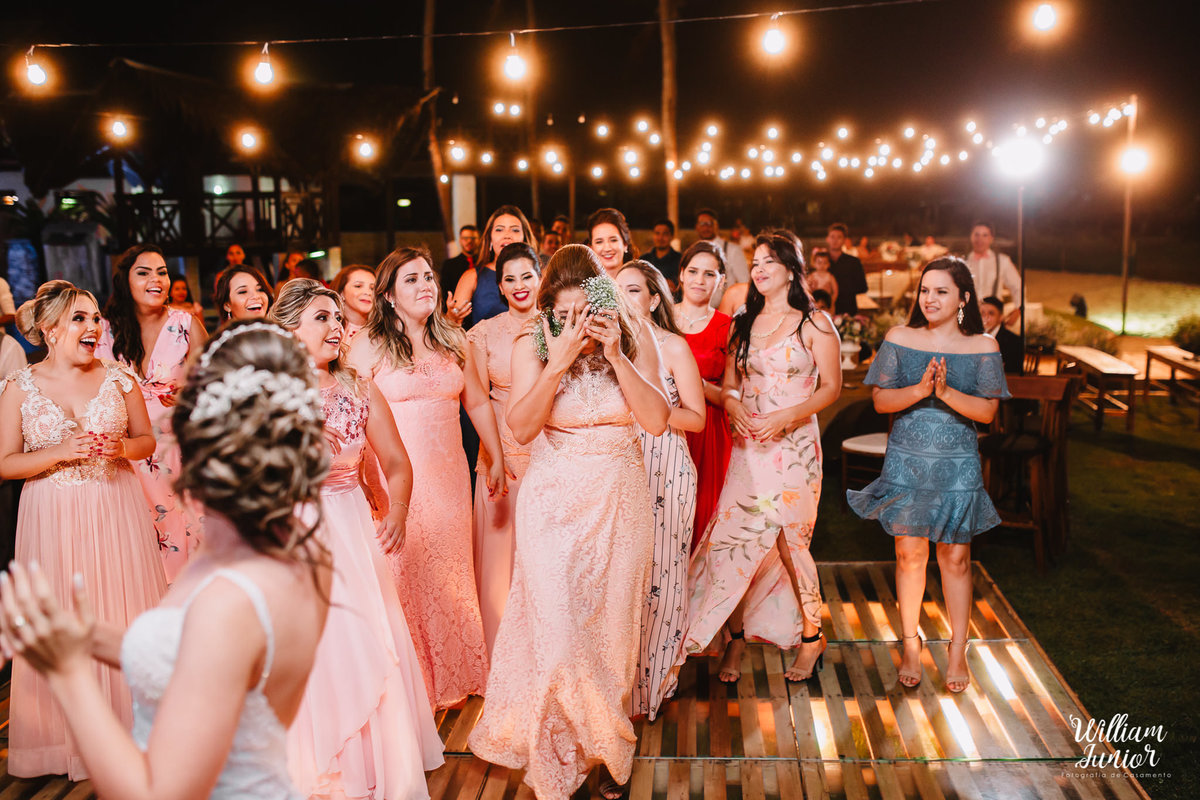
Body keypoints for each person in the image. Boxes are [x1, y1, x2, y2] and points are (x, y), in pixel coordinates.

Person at [0, 320, 333, 799]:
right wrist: (90, 638)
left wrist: (69, 674)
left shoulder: (233, 597)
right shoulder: (287, 556)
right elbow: (198, 662)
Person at [469, 244, 668, 800]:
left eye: (585, 310)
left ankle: (605, 749)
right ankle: (560, 758)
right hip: (553, 501)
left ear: (602, 303)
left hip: (618, 498)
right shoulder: (531, 341)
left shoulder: (632, 336)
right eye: (563, 312)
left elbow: (654, 422)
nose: (575, 322)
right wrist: (557, 358)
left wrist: (617, 355)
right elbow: (523, 427)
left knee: (611, 633)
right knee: (557, 637)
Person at [269, 281, 444, 798]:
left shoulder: (359, 388)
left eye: (338, 318)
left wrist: (400, 512)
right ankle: (313, 763)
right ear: (289, 331)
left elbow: (396, 462)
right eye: (322, 318)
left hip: (348, 528)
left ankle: (371, 764)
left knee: (360, 639)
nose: (337, 327)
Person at [0, 280, 167, 779]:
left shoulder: (121, 379)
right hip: (51, 515)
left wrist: (118, 449)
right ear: (49, 330)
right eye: (79, 319)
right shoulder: (19, 387)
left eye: (96, 318)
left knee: (120, 611)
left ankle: (135, 731)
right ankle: (62, 739)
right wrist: (57, 454)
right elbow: (5, 462)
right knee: (64, 618)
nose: (93, 327)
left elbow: (147, 442)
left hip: (116, 508)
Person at [349, 246, 506, 709]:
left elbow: (476, 401)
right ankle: (409, 685)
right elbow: (352, 414)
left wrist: (494, 455)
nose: (425, 287)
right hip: (394, 476)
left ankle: (454, 674)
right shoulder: (367, 345)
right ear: (390, 295)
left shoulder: (455, 340)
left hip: (449, 474)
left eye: (429, 278)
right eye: (412, 280)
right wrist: (360, 479)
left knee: (449, 573)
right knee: (402, 571)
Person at [682, 230, 842, 684]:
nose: (760, 269)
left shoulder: (814, 323)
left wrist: (788, 417)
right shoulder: (743, 321)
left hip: (792, 449)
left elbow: (830, 386)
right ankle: (734, 639)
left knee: (791, 546)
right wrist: (732, 404)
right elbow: (731, 382)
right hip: (748, 446)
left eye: (770, 261)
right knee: (730, 543)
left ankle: (812, 636)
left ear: (791, 268)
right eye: (755, 262)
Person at [847, 257, 1009, 694]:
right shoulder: (900, 338)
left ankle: (958, 648)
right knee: (909, 556)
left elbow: (988, 413)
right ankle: (912, 645)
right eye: (925, 290)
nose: (930, 298)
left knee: (955, 559)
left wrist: (945, 392)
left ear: (963, 298)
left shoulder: (984, 347)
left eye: (941, 291)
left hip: (956, 466)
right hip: (906, 461)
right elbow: (881, 402)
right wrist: (919, 390)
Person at [616, 260, 704, 721]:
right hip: (617, 467)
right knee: (624, 577)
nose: (623, 298)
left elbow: (697, 417)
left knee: (663, 578)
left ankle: (655, 680)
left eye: (633, 290)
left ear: (653, 299)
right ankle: (621, 684)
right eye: (617, 290)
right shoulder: (606, 346)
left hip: (666, 466)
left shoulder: (672, 347)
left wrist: (653, 410)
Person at [97, 243, 208, 581]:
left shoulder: (185, 324)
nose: (156, 279)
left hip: (178, 451)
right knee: (136, 540)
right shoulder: (103, 329)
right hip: (126, 454)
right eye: (143, 272)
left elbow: (215, 384)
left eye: (161, 272)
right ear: (125, 281)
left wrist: (190, 398)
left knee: (185, 532)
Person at [466, 242, 541, 656]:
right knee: (500, 565)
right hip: (501, 454)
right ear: (499, 285)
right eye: (509, 279)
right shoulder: (481, 333)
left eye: (526, 276)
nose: (518, 286)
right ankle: (502, 653)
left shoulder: (558, 327)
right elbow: (476, 401)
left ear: (540, 278)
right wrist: (495, 455)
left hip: (549, 451)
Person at [671, 242, 733, 548]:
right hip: (668, 428)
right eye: (693, 271)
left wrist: (694, 381)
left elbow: (730, 396)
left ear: (721, 280)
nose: (699, 279)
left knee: (706, 514)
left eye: (709, 274)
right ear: (681, 275)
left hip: (711, 430)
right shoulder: (661, 319)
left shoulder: (727, 327)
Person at [452, 206, 538, 328]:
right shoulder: (472, 277)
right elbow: (451, 327)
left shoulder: (541, 277)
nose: (507, 235)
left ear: (525, 237)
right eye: (499, 230)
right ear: (490, 239)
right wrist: (452, 317)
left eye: (515, 230)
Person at [965, 222, 1022, 325]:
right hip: (969, 318)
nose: (980, 239)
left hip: (993, 319)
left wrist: (1018, 309)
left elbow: (1018, 286)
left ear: (991, 238)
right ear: (971, 237)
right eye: (976, 234)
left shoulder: (1002, 261)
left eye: (985, 235)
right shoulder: (963, 262)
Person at [695, 208, 749, 305]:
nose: (706, 227)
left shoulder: (732, 250)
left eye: (709, 223)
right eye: (702, 224)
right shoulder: (694, 251)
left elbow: (745, 283)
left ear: (716, 226)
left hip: (725, 310)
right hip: (700, 311)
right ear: (697, 227)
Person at [826, 223, 868, 316]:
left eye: (839, 237)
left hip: (847, 310)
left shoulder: (854, 262)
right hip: (825, 309)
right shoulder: (821, 261)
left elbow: (863, 287)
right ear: (827, 239)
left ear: (845, 240)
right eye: (832, 237)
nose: (835, 240)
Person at [329, 264, 376, 342]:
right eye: (358, 286)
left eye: (372, 288)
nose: (368, 292)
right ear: (341, 293)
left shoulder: (383, 331)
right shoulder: (329, 328)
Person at [586, 207, 637, 279]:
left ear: (625, 244)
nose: (607, 248)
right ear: (591, 248)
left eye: (613, 240)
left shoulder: (640, 281)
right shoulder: (581, 286)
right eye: (599, 242)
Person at [981, 296, 1023, 375]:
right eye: (982, 313)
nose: (985, 317)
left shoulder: (1013, 341)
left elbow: (1013, 372)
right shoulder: (974, 337)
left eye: (991, 313)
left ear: (1001, 317)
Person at [441, 225, 480, 308]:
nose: (469, 241)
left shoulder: (485, 263)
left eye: (473, 238)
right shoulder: (449, 265)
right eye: (465, 238)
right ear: (460, 240)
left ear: (479, 240)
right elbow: (444, 293)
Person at [643, 219, 682, 288]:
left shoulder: (680, 260)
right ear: (653, 235)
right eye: (657, 233)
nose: (660, 238)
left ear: (672, 236)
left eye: (665, 234)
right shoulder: (644, 260)